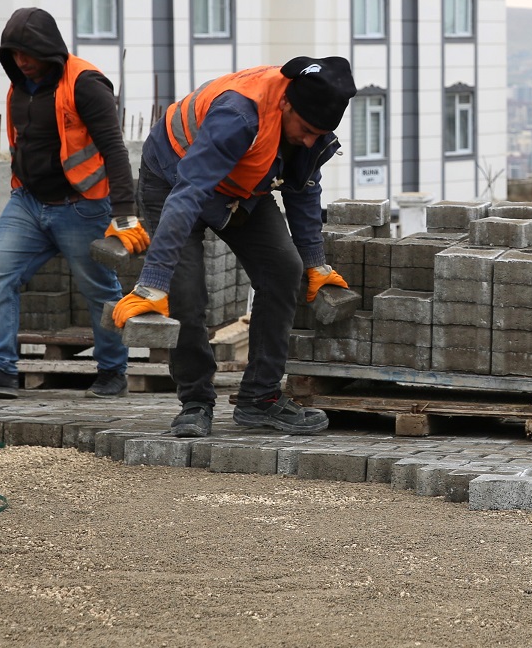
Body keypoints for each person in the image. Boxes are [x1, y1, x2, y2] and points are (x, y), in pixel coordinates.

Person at [111, 57, 355, 438]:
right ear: (286, 103)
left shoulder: (309, 125)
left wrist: (316, 263)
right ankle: (195, 401)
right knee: (185, 292)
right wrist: (153, 282)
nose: (310, 140)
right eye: (307, 130)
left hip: (237, 188)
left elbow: (303, 188)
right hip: (174, 178)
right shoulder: (239, 116)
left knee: (284, 268)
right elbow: (188, 194)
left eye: (319, 134)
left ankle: (260, 397)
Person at [0, 8, 145, 400]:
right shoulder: (19, 86)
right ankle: (0, 369)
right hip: (29, 202)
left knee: (99, 291)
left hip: (81, 206)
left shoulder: (86, 84)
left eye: (28, 53)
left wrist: (124, 213)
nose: (21, 60)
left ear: (48, 48)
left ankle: (113, 372)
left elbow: (114, 149)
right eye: (14, 53)